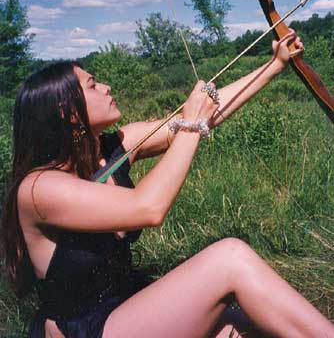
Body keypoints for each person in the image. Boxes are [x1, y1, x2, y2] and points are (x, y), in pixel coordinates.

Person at [2, 32, 333, 338]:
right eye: (92, 85)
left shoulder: (113, 147)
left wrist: (274, 65)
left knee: (242, 327)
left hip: (128, 308)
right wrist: (191, 126)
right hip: (87, 329)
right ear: (68, 113)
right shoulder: (39, 189)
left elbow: (208, 116)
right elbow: (148, 207)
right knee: (230, 258)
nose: (105, 87)